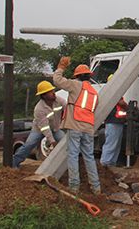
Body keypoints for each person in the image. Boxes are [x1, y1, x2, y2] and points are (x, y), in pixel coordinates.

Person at [53, 57, 101, 195]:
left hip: (75, 125)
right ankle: (96, 188)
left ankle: (74, 187)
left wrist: (61, 67)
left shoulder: (75, 85)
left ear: (77, 76)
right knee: (89, 156)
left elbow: (57, 80)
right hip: (88, 127)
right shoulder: (94, 92)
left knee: (73, 155)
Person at [13, 81, 66, 168]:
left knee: (64, 141)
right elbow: (45, 128)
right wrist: (52, 141)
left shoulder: (59, 100)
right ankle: (14, 163)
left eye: (53, 90)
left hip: (55, 128)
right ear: (44, 95)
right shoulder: (39, 109)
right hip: (39, 129)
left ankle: (65, 164)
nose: (53, 93)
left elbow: (68, 108)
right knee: (30, 144)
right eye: (50, 92)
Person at [100, 74, 129, 167]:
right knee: (112, 143)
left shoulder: (110, 91)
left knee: (115, 144)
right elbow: (121, 103)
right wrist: (128, 107)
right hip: (114, 121)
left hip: (116, 121)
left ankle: (111, 163)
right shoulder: (114, 91)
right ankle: (106, 163)